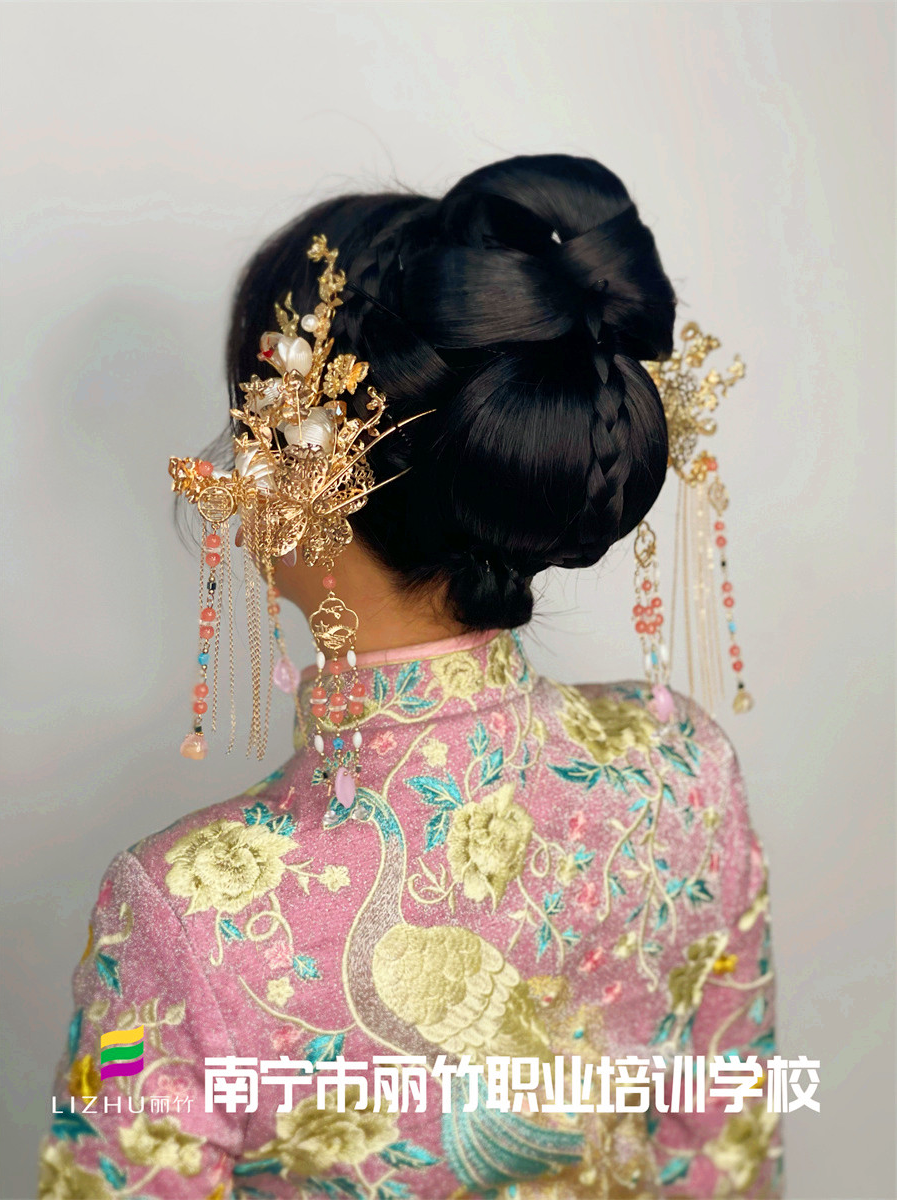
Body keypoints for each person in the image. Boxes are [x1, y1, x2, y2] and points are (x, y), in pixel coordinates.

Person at [38, 154, 782, 1199]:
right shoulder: (686, 768)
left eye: (251, 423)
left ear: (313, 469)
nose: (230, 470)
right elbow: (727, 1156)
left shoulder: (181, 914)